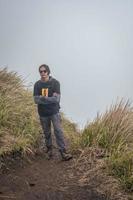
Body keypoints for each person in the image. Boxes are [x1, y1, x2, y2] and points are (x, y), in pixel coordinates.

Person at [33, 64, 72, 161]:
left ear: (48, 71)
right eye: (41, 71)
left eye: (44, 71)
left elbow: (56, 99)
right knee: (47, 133)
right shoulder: (37, 84)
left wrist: (43, 99)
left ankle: (63, 152)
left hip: (54, 112)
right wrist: (48, 99)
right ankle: (49, 150)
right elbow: (35, 100)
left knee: (58, 131)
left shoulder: (55, 83)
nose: (43, 73)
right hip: (42, 113)